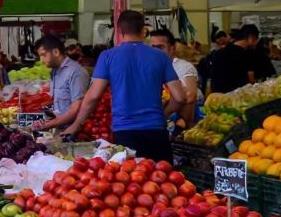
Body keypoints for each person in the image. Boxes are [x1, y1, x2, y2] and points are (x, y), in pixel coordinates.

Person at [64, 11, 186, 161]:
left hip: (125, 132)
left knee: (130, 181)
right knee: (161, 179)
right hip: (156, 131)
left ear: (119, 31)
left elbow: (93, 96)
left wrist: (76, 124)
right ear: (143, 30)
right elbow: (180, 98)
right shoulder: (160, 57)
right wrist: (164, 114)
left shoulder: (108, 56)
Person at [148, 29, 200, 128]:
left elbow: (191, 96)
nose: (156, 51)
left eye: (160, 47)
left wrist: (164, 114)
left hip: (178, 124)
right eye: (153, 47)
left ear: (172, 48)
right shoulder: (148, 67)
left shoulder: (183, 67)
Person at [36, 34, 88, 131]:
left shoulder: (75, 72)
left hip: (74, 132)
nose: (42, 60)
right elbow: (58, 105)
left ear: (55, 52)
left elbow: (75, 110)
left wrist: (46, 125)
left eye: (43, 55)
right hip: (60, 129)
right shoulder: (55, 71)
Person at [206, 28, 253, 95]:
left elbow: (212, 78)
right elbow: (250, 79)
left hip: (218, 94)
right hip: (238, 94)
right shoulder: (246, 53)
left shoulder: (218, 53)